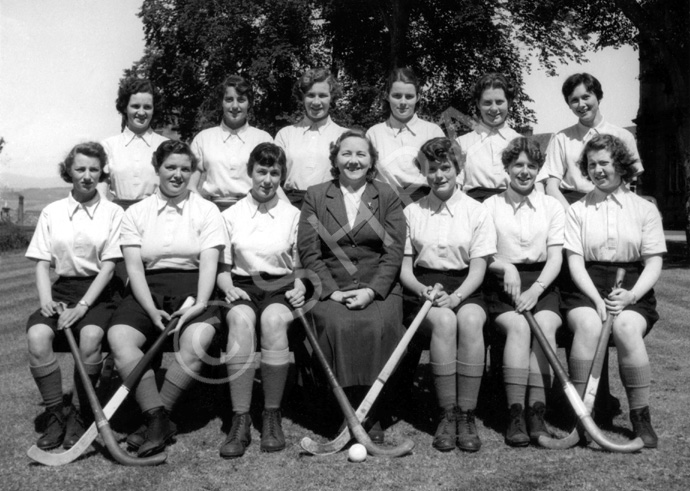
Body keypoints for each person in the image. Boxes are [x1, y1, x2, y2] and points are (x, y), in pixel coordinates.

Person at [107, 140, 225, 457]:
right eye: (170, 167)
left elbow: (210, 265)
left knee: (198, 340)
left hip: (195, 288)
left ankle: (157, 420)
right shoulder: (136, 213)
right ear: (157, 168)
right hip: (148, 289)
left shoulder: (208, 210)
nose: (177, 174)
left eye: (185, 169)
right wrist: (151, 309)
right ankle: (158, 418)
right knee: (120, 338)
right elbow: (134, 269)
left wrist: (200, 304)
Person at [297, 129, 405, 441]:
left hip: (378, 287)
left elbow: (393, 251)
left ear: (371, 161)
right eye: (346, 153)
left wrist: (372, 291)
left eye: (361, 154)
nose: (353, 160)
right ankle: (346, 410)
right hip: (330, 286)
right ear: (335, 158)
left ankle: (370, 411)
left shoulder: (386, 196)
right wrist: (333, 291)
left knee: (376, 325)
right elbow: (309, 250)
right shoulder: (317, 195)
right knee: (337, 325)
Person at [562, 134, 665, 448]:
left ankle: (640, 417)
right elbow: (574, 261)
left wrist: (631, 296)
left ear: (620, 165)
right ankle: (581, 415)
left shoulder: (644, 208)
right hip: (585, 285)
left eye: (604, 162)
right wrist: (595, 297)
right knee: (589, 325)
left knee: (626, 327)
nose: (597, 170)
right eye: (591, 164)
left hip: (632, 284)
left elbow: (654, 261)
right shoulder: (577, 209)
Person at [400, 137, 496, 452]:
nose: (439, 175)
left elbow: (479, 269)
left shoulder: (477, 211)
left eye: (445, 167)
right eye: (432, 169)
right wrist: (423, 290)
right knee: (442, 322)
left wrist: (456, 298)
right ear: (423, 172)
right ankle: (447, 412)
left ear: (457, 169)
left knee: (468, 320)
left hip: (467, 287)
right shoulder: (412, 211)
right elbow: (405, 270)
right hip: (424, 289)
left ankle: (467, 414)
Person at [25, 142, 124, 450]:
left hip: (100, 291)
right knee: (38, 336)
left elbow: (109, 268)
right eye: (80, 169)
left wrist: (82, 307)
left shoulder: (113, 212)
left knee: (91, 336)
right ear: (68, 170)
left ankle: (80, 414)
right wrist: (46, 301)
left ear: (102, 172)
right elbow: (42, 263)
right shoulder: (52, 212)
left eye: (94, 169)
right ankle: (56, 414)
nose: (87, 176)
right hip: (62, 289)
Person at [216, 143, 305, 458]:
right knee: (240, 321)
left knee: (273, 321)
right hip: (241, 284)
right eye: (262, 171)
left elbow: (299, 268)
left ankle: (271, 414)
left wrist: (301, 286)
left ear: (282, 176)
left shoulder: (294, 215)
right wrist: (227, 287)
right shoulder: (230, 215)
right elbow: (223, 269)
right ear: (250, 173)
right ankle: (240, 418)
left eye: (275, 172)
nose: (268, 179)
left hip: (280, 287)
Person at [483, 137, 565, 446]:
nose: (524, 171)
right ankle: (515, 413)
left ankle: (537, 412)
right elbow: (484, 254)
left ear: (539, 169)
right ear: (506, 168)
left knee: (544, 326)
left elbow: (556, 257)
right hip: (501, 283)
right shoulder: (490, 206)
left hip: (543, 282)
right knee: (518, 328)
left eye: (531, 166)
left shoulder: (551, 207)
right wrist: (507, 267)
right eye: (518, 164)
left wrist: (538, 289)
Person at [538, 72, 644, 209]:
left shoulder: (623, 136)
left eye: (586, 97)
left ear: (598, 97)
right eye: (574, 100)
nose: (581, 104)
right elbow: (551, 186)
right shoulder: (561, 138)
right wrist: (570, 214)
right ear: (569, 104)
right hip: (570, 204)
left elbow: (627, 181)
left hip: (611, 205)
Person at [188, 74, 274, 211]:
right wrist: (205, 209)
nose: (235, 106)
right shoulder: (203, 139)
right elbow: (190, 185)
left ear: (249, 103)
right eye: (229, 100)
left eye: (241, 100)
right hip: (212, 210)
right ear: (221, 102)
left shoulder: (263, 139)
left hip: (252, 210)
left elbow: (272, 184)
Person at [366, 67, 445, 205]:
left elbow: (446, 173)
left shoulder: (433, 132)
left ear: (418, 97)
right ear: (387, 96)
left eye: (409, 96)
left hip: (426, 204)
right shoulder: (374, 133)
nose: (403, 102)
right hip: (385, 205)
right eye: (397, 96)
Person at [275, 67, 347, 209]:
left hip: (331, 206)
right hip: (290, 204)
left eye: (322, 95)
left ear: (331, 97)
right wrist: (288, 210)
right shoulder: (286, 134)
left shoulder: (344, 136)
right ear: (302, 97)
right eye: (310, 95)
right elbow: (272, 177)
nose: (316, 102)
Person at [100, 77, 169, 210]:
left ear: (154, 110)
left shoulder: (166, 146)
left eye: (147, 107)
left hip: (156, 215)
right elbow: (100, 188)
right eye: (135, 106)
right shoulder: (108, 146)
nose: (142, 112)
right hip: (121, 216)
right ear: (125, 108)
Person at [456, 72, 521, 202]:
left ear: (509, 103)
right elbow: (455, 186)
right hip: (473, 208)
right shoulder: (462, 143)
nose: (493, 108)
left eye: (499, 102)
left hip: (512, 207)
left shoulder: (521, 142)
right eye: (487, 102)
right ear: (478, 104)